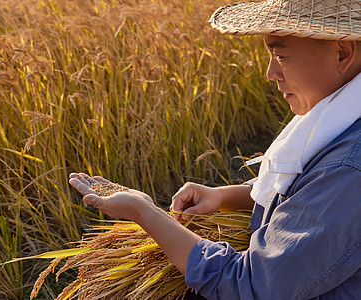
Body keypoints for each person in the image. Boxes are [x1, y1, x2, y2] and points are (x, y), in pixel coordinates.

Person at [69, 0, 361, 299]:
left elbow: (251, 286)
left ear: (342, 53)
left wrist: (145, 212)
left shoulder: (349, 169)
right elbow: (309, 189)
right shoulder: (343, 126)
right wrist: (223, 195)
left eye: (280, 55)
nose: (270, 73)